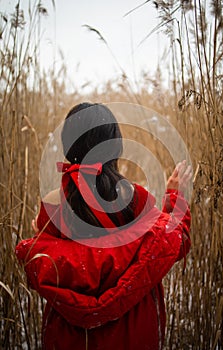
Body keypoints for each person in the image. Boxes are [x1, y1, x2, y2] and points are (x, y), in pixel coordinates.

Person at [15, 102, 192, 350]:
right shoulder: (135, 198)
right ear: (115, 145)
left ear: (68, 144)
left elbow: (52, 269)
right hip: (132, 330)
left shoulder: (51, 204)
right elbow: (172, 244)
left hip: (71, 336)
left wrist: (40, 239)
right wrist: (175, 197)